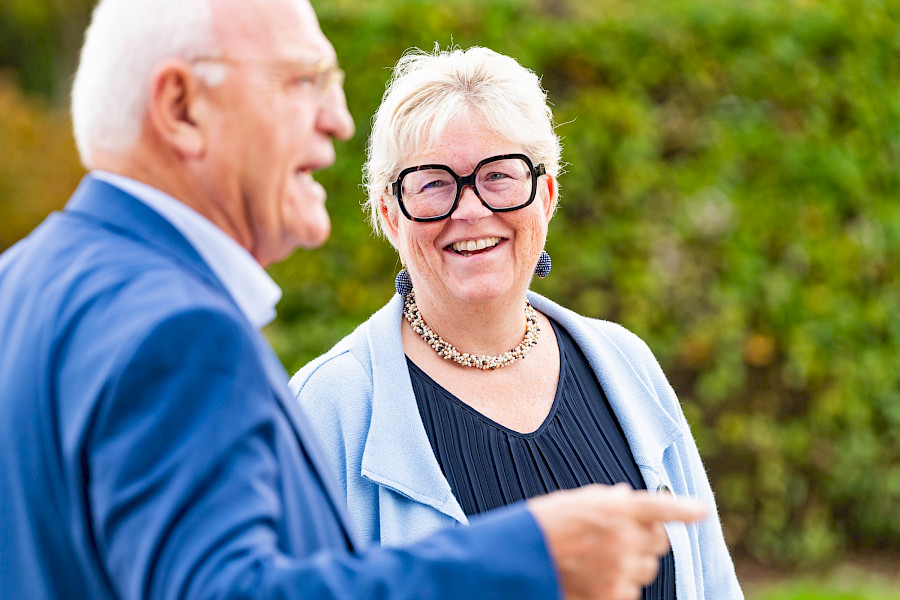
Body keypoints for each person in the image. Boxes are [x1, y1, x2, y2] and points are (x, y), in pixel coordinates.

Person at [0, 1, 709, 600]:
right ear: (182, 108)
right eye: (302, 80)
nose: (338, 119)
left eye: (500, 176)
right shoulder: (183, 332)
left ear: (546, 193)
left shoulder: (20, 284)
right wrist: (530, 556)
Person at [291, 46, 744, 600]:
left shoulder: (626, 364)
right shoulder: (329, 406)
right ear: (389, 214)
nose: (471, 209)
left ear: (547, 195)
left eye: (500, 175)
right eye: (433, 183)